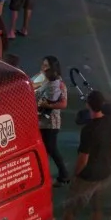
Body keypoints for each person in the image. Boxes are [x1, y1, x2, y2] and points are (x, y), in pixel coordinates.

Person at [55, 91, 111, 220]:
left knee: (71, 210)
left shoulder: (88, 130)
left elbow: (83, 159)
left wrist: (75, 175)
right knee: (97, 209)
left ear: (88, 105)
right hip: (104, 173)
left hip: (87, 176)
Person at [34, 56, 70, 186]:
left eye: (46, 66)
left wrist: (47, 106)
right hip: (40, 121)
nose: (43, 67)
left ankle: (64, 174)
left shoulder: (59, 85)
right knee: (46, 149)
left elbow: (63, 104)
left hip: (51, 124)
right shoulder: (43, 80)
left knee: (52, 149)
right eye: (43, 64)